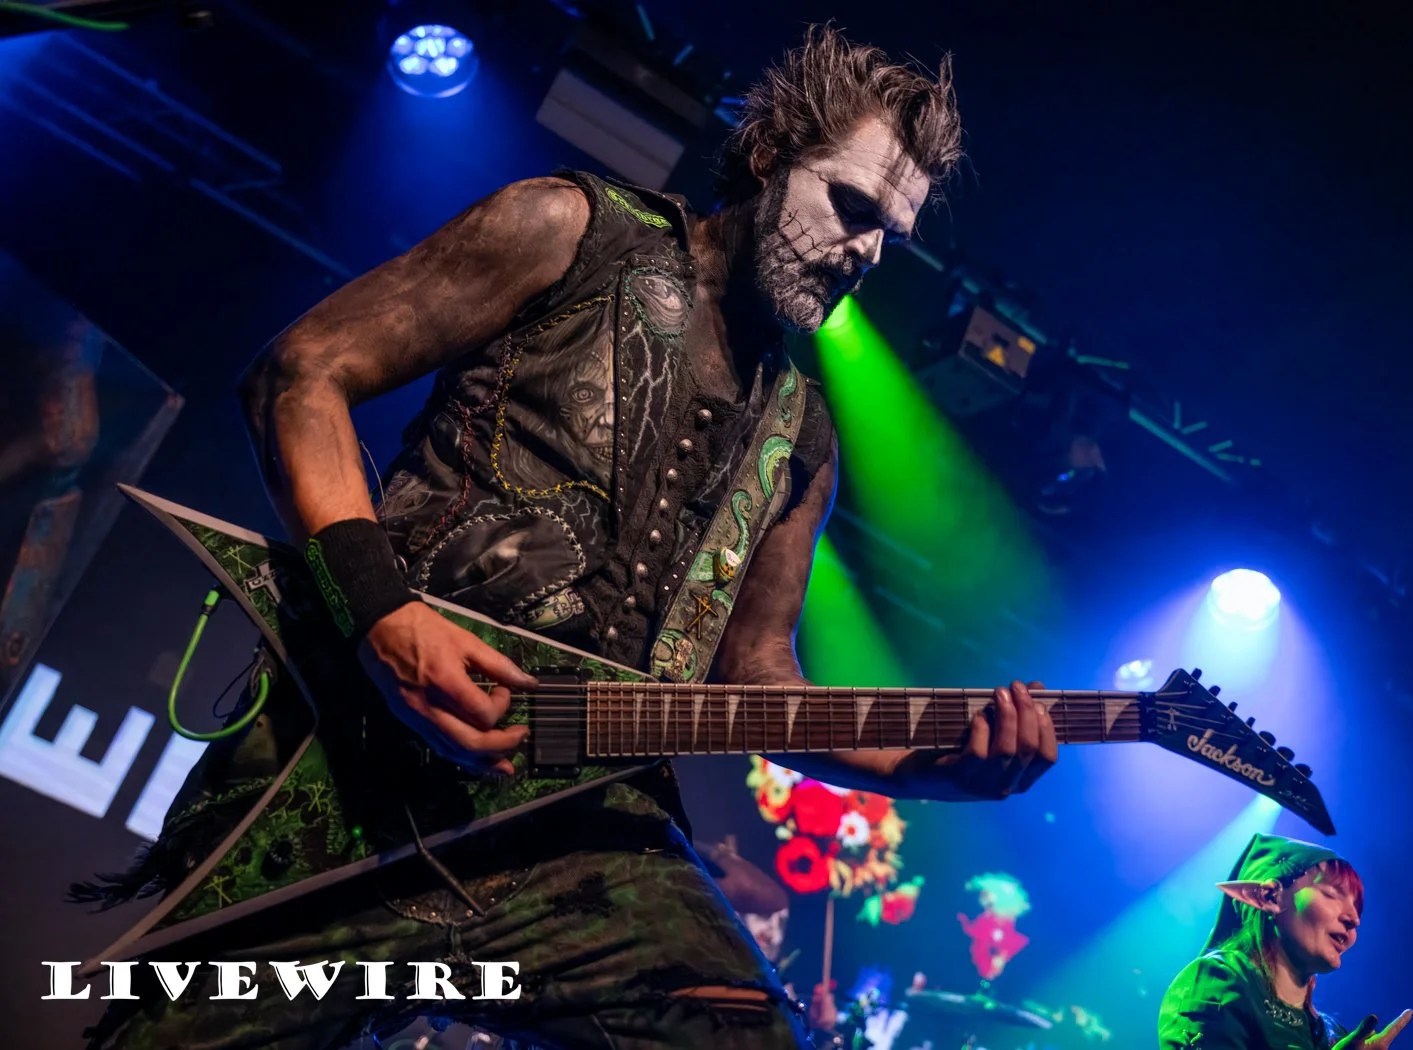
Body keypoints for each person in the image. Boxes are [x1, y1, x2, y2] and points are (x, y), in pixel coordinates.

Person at [82, 25, 1060, 1050]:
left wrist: (931, 771)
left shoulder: (802, 432)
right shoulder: (569, 229)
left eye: (890, 236)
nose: (865, 252)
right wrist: (384, 615)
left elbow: (755, 678)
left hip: (579, 833)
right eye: (853, 207)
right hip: (356, 766)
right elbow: (302, 373)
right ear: (770, 154)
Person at [1157, 833, 1413, 1050]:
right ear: (1271, 897)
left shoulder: (1332, 1033)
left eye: (1357, 908)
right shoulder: (1217, 982)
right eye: (1331, 894)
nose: (1353, 919)